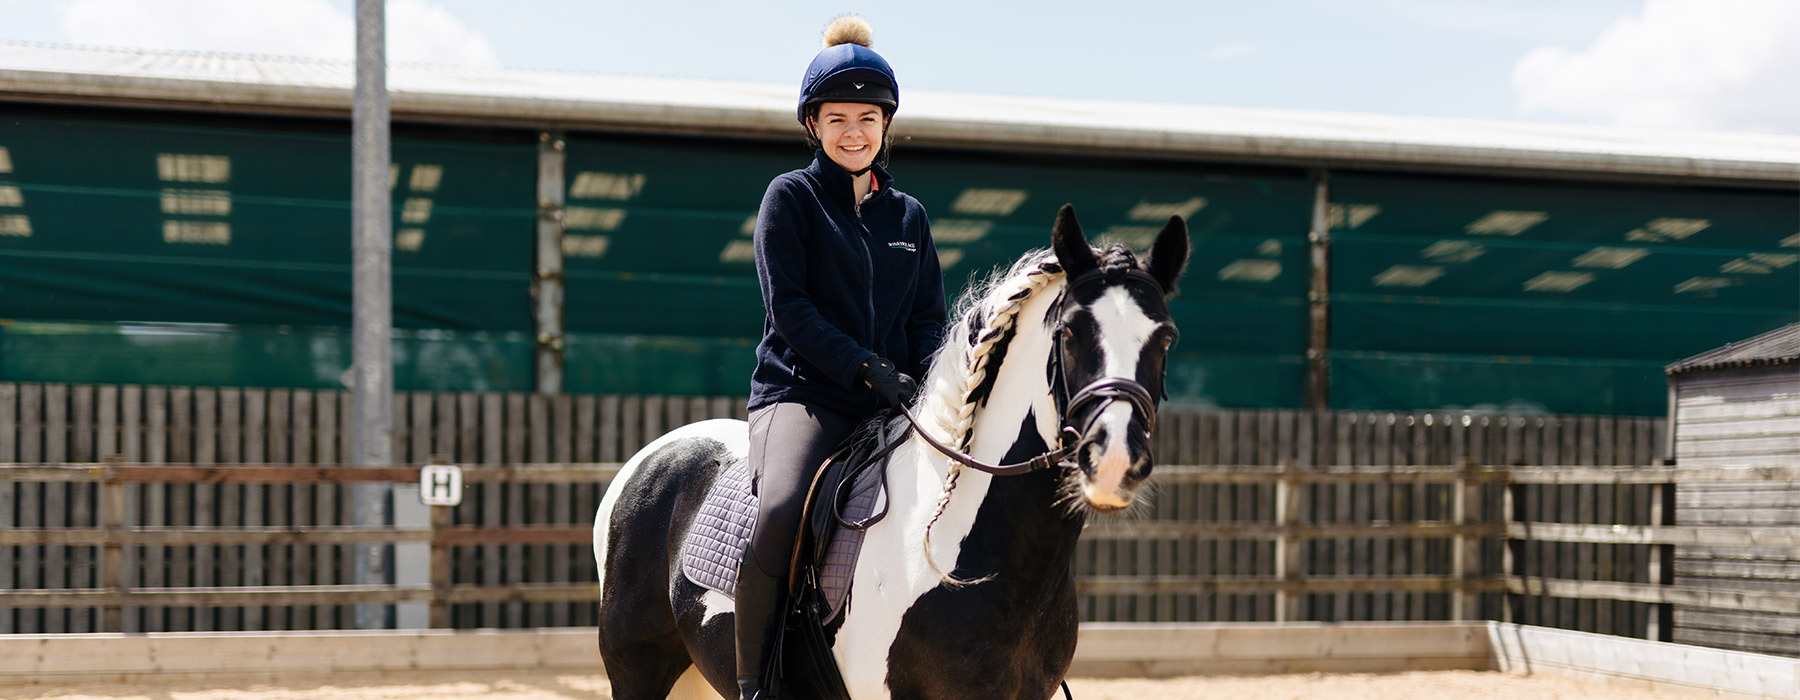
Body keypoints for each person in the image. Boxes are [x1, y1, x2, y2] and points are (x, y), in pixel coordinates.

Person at [736, 15, 947, 700]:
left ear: (885, 124)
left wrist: (925, 382)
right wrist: (865, 367)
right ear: (813, 126)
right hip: (803, 396)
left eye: (867, 117)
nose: (853, 131)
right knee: (782, 509)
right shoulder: (789, 199)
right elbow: (790, 311)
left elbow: (927, 318)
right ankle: (755, 680)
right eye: (837, 118)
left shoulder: (909, 218)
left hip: (891, 403)